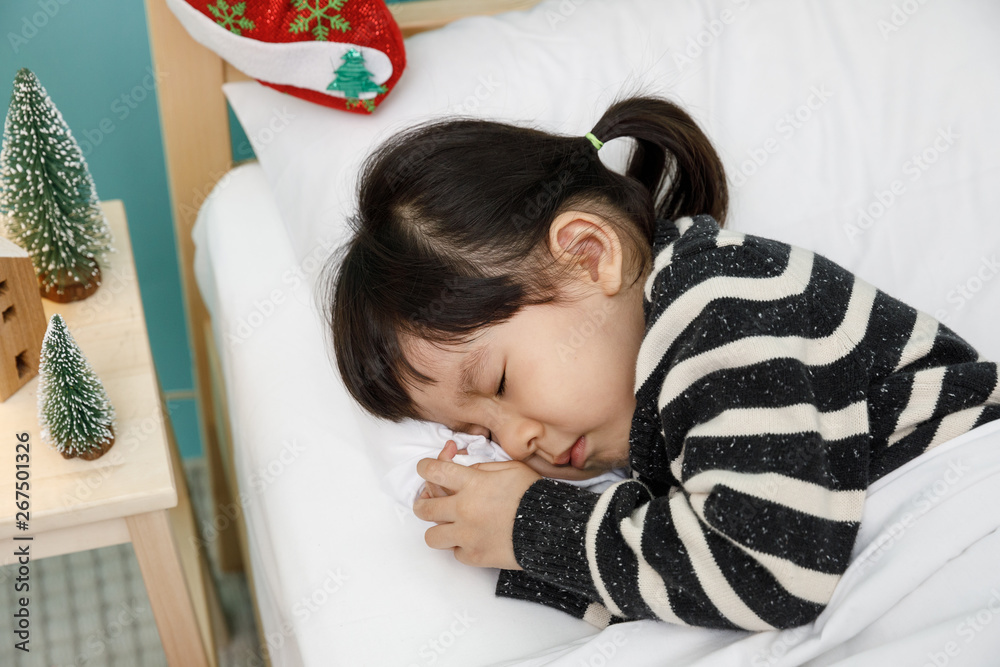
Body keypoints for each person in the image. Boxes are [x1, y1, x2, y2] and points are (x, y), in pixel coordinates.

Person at [320, 94, 1000, 631]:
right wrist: (501, 542)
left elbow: (770, 571)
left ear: (590, 255)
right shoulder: (656, 421)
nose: (518, 439)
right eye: (487, 433)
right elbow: (674, 582)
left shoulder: (717, 304)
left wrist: (533, 528)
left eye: (499, 383)